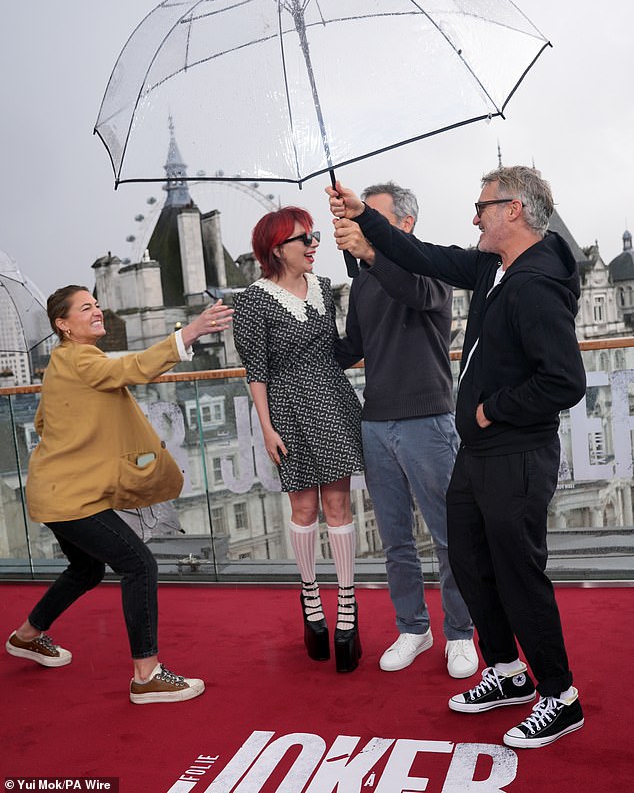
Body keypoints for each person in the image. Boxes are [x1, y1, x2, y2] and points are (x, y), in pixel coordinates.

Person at [328, 166, 586, 748]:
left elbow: (566, 381)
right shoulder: (490, 268)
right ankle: (505, 670)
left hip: (515, 450)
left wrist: (492, 410)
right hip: (478, 451)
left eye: (482, 206)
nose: (474, 216)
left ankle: (560, 696)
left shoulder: (537, 283)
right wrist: (362, 216)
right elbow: (418, 253)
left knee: (519, 573)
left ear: (513, 210)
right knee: (469, 557)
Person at [5, 285, 233, 704]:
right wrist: (192, 331)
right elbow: (131, 369)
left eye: (96, 304)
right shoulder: (80, 357)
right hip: (71, 498)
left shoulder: (60, 362)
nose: (97, 311)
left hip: (57, 491)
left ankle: (27, 636)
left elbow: (43, 423)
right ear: (63, 324)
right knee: (139, 565)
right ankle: (146, 676)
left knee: (87, 570)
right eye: (85, 308)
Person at [333, 181, 477, 679]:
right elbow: (349, 347)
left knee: (448, 536)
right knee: (395, 539)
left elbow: (412, 291)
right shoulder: (361, 281)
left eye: (370, 216)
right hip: (375, 422)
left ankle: (461, 633)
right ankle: (414, 628)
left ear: (405, 223)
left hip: (429, 419)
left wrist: (370, 253)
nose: (360, 223)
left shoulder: (428, 267)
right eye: (359, 217)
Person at [232, 206, 364, 672]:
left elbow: (338, 348)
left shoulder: (325, 289)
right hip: (287, 411)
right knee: (304, 509)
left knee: (338, 508)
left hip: (332, 402)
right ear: (276, 249)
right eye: (303, 238)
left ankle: (346, 608)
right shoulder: (251, 300)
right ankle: (311, 599)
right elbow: (257, 371)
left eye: (314, 236)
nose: (313, 244)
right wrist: (267, 427)